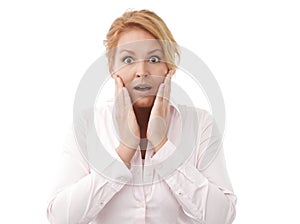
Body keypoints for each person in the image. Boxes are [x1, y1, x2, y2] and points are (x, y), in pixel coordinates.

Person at [47, 9, 237, 224]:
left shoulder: (200, 123)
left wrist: (163, 146)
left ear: (169, 67)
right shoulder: (87, 125)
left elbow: (222, 216)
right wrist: (125, 150)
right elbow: (60, 217)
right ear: (112, 69)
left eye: (154, 58)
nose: (142, 71)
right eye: (128, 59)